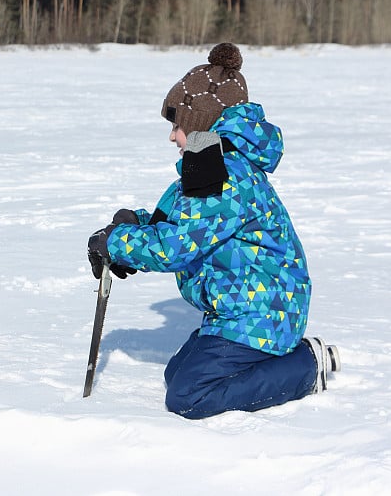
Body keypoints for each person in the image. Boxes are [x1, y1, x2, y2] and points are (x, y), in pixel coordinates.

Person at [87, 43, 339, 419]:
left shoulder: (225, 177)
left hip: (261, 313)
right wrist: (132, 226)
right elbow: (179, 223)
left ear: (201, 124)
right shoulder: (210, 164)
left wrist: (119, 245)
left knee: (189, 396)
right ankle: (278, 357)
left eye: (177, 126)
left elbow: (176, 247)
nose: (172, 137)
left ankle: (305, 364)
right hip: (243, 310)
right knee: (177, 373)